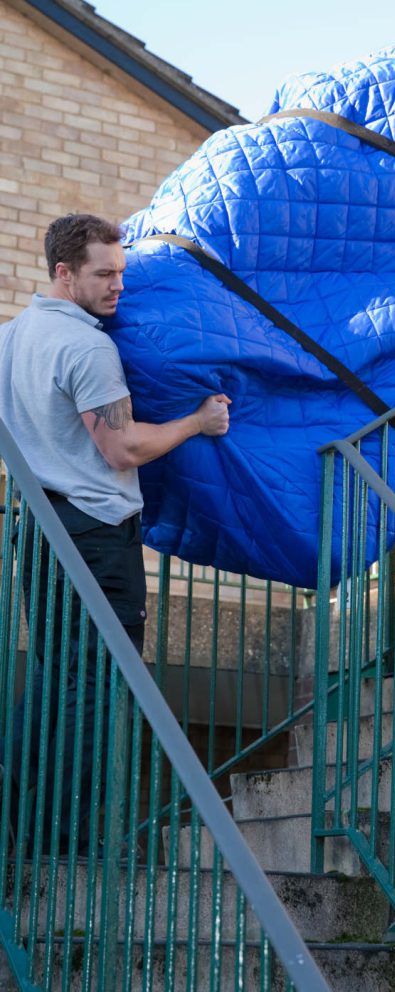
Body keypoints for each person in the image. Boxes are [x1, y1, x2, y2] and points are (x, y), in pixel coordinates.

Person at [0, 213, 230, 851]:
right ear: (63, 272)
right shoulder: (87, 347)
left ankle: (20, 816)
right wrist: (197, 422)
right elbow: (123, 448)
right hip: (95, 535)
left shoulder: (12, 338)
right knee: (99, 685)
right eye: (103, 274)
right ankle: (67, 842)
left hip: (39, 531)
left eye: (122, 272)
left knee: (55, 679)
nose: (117, 286)